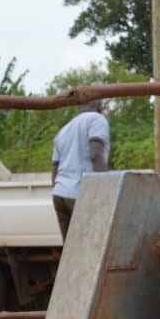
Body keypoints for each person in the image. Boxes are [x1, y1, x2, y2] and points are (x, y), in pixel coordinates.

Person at [51, 98, 110, 240]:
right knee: (92, 246)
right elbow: (95, 154)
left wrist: (60, 187)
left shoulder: (64, 129)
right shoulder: (97, 120)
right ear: (98, 104)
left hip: (60, 195)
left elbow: (55, 168)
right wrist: (106, 192)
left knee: (70, 249)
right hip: (81, 194)